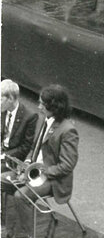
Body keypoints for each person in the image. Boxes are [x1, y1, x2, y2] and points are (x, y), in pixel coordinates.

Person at [8, 85, 79, 238]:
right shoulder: (44, 120)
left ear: (54, 106)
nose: (39, 106)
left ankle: (25, 234)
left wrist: (40, 170)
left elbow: (67, 165)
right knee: (3, 181)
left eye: (42, 104)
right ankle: (8, 227)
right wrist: (27, 163)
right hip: (36, 171)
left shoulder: (68, 130)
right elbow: (35, 147)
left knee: (21, 195)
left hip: (54, 180)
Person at [1, 80, 38, 212]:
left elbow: (26, 148)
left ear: (10, 98)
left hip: (14, 158)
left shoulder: (30, 116)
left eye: (0, 98)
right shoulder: (2, 111)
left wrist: (3, 156)